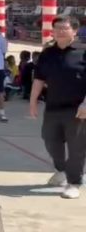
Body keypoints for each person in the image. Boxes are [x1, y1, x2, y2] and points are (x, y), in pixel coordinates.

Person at [29, 15, 86, 199]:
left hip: (78, 109)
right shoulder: (47, 54)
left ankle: (74, 182)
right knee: (50, 140)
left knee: (76, 147)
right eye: (57, 28)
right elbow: (39, 79)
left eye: (65, 28)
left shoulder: (83, 52)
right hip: (53, 106)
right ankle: (61, 170)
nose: (60, 31)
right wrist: (33, 101)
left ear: (74, 31)